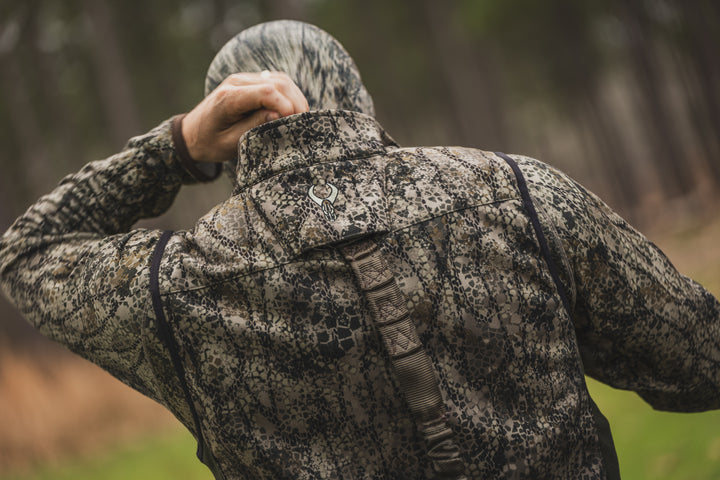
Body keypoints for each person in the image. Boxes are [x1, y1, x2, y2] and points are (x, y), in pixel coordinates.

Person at [1, 19, 718, 480]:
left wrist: (179, 145)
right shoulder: (519, 194)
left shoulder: (180, 287)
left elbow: (27, 251)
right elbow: (700, 361)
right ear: (358, 101)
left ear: (227, 135)